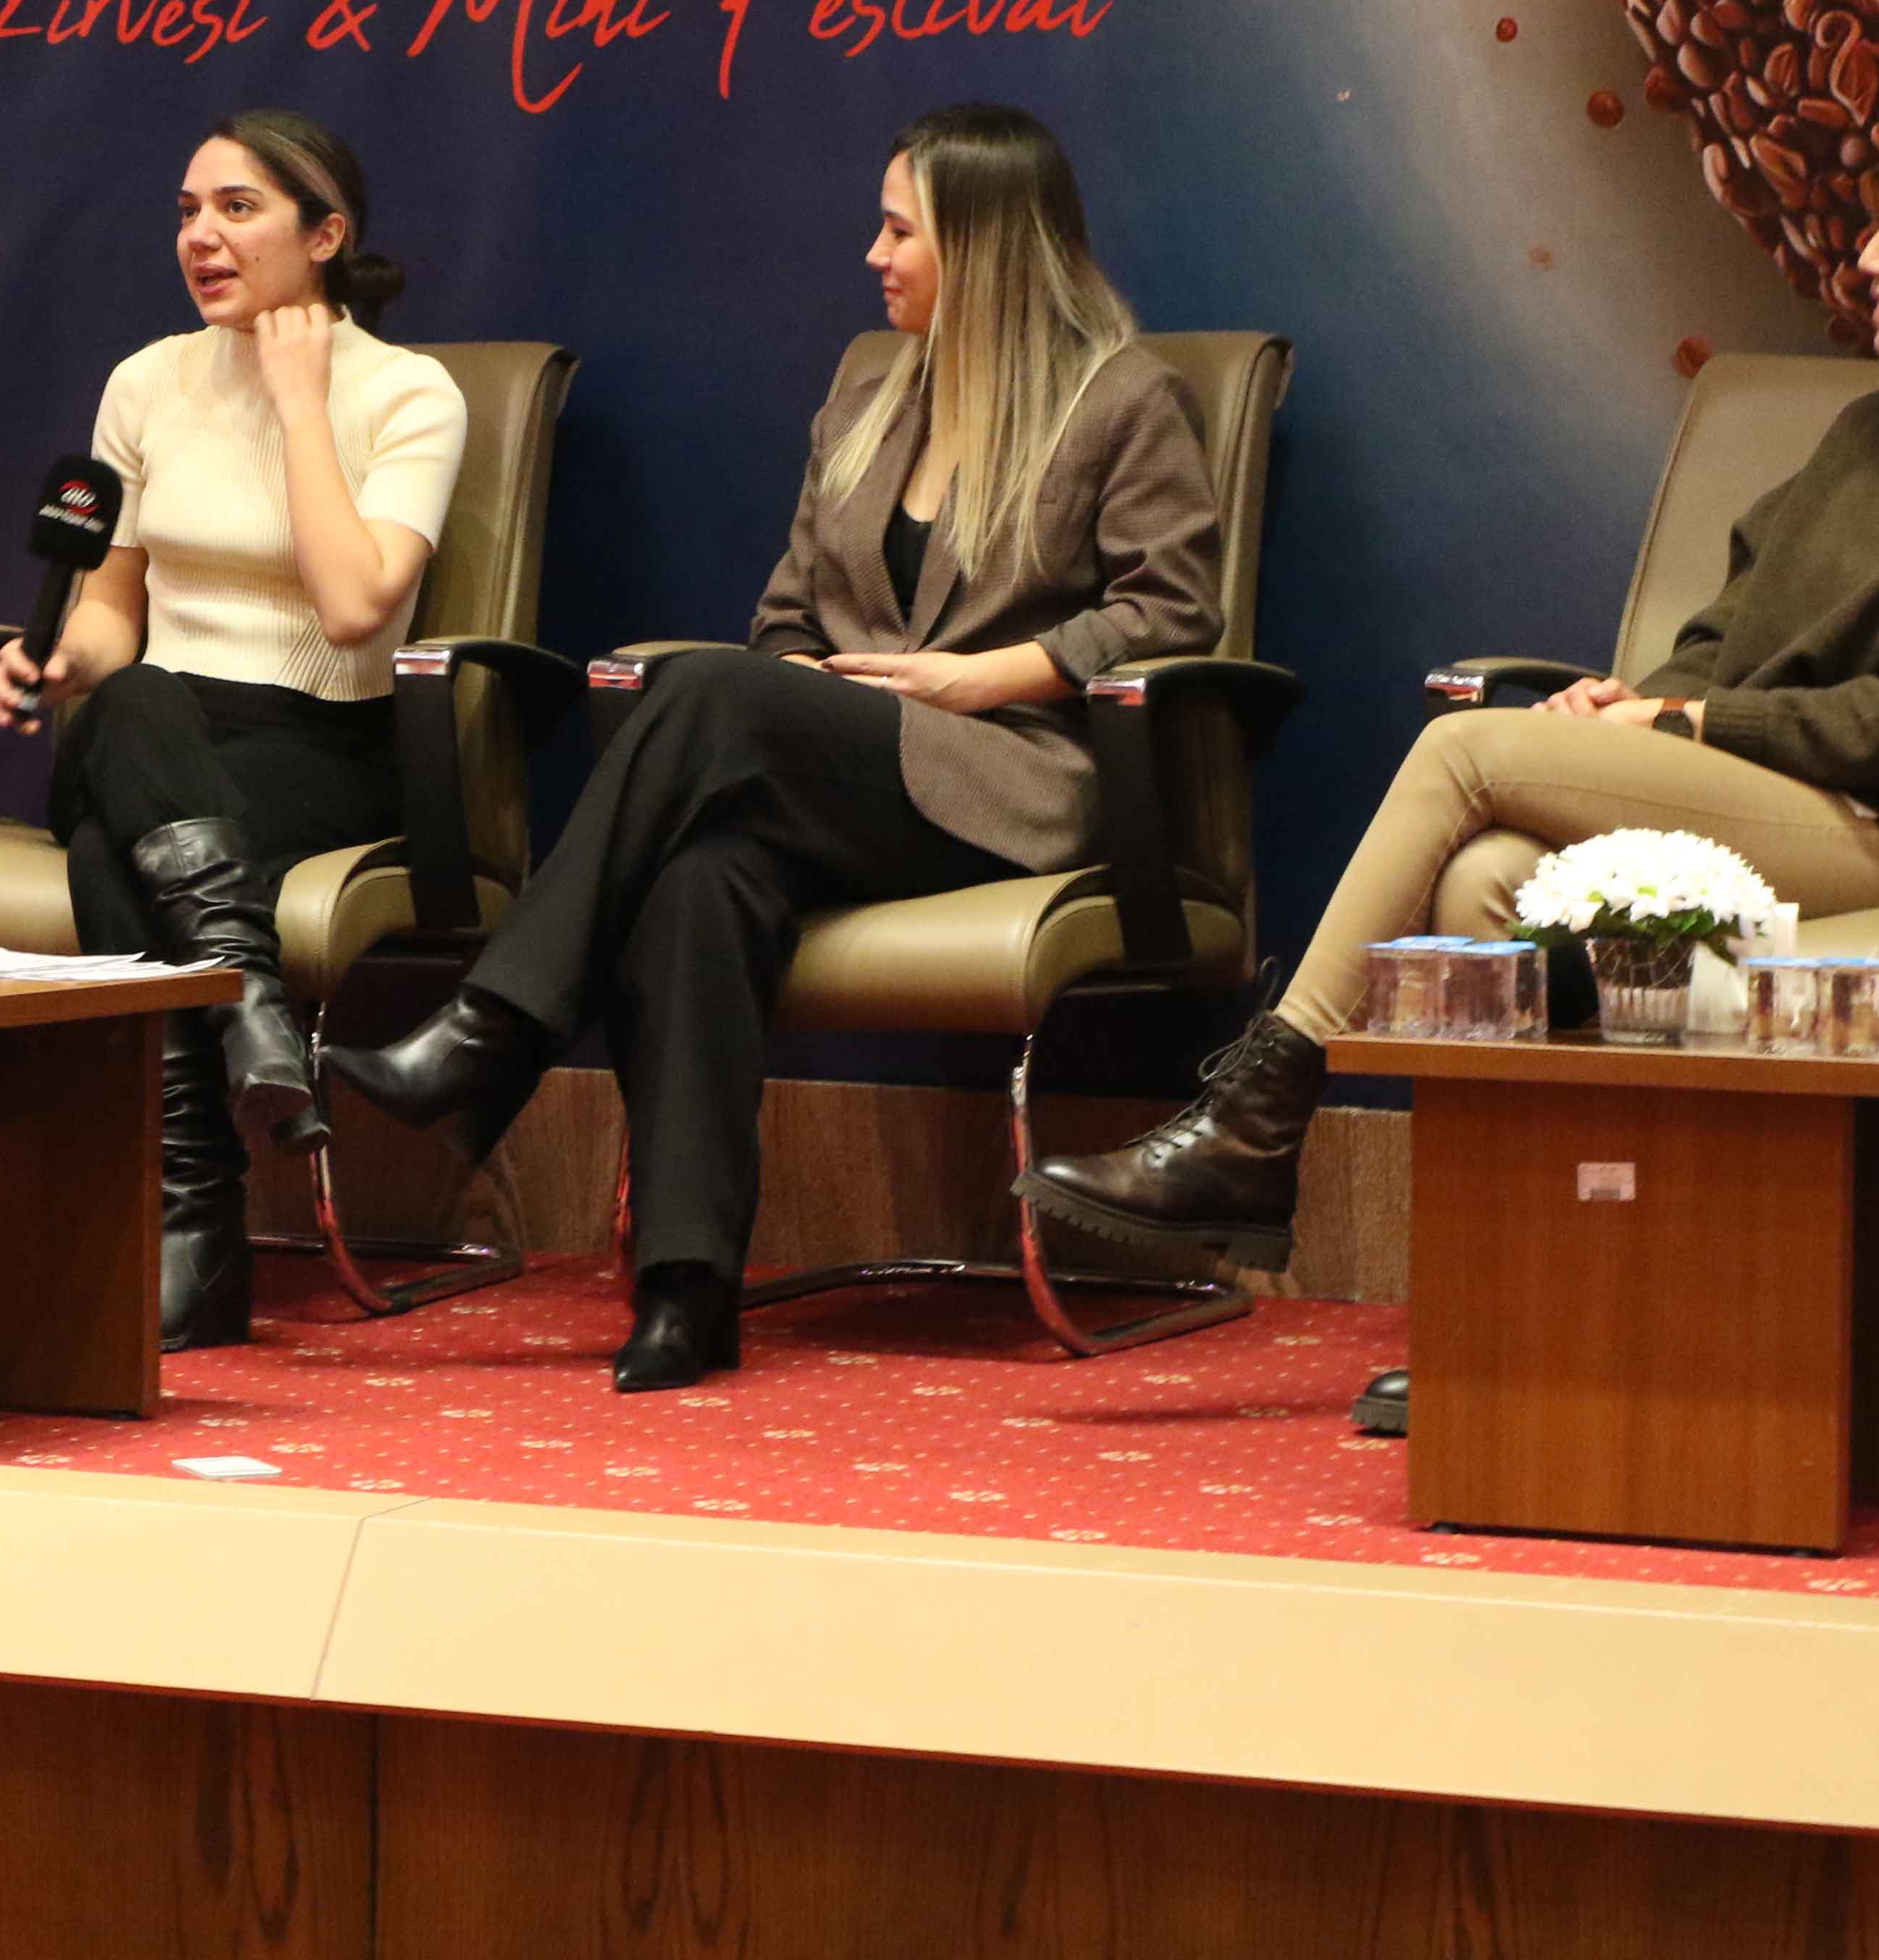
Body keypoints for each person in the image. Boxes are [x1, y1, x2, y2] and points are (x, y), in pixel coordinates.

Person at [1020, 110, 1879, 1421]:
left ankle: (1258, 1113)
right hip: (1776, 796)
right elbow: (1731, 631)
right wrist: (1644, 697)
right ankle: (1517, 1322)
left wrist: (1681, 730)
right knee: (1488, 882)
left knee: (1466, 749)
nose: (1863, 261)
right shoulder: (1876, 429)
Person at [322, 104, 1224, 1392]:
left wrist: (986, 676)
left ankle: (496, 1027)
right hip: (847, 770)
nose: (874, 254)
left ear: (982, 246)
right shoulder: (867, 391)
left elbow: (1173, 611)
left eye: (901, 231)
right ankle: (685, 1291)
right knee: (701, 879)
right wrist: (800, 682)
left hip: (1010, 780)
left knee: (708, 695)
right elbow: (788, 618)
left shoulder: (1120, 399)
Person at [0, 110, 464, 1353]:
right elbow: (112, 610)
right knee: (130, 696)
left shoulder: (408, 392)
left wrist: (301, 404)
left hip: (320, 745)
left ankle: (193, 1235)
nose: (201, 236)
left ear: (326, 236)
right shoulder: (146, 382)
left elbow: (357, 610)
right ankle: (248, 994)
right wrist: (60, 660)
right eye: (188, 212)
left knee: (112, 854)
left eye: (238, 210)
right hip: (158, 724)